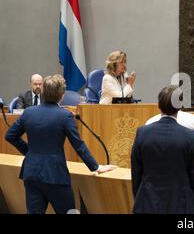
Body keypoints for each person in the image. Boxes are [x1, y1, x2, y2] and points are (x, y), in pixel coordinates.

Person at [5, 74, 117, 214]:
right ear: (61, 95)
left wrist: (29, 151)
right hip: (55, 175)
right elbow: (79, 145)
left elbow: (10, 136)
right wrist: (95, 167)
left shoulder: (28, 113)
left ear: (44, 91)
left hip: (31, 173)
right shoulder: (65, 116)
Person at [131, 86, 194, 214]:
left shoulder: (142, 133)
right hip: (181, 204)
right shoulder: (191, 137)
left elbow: (136, 172)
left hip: (147, 202)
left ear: (158, 105)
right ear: (180, 106)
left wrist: (139, 198)